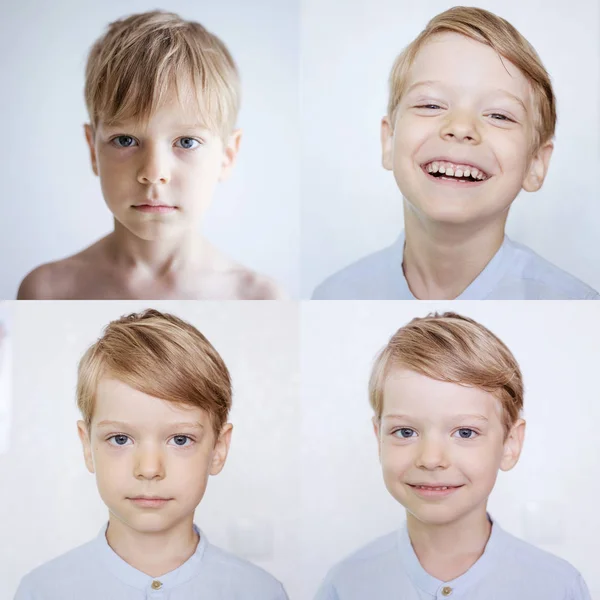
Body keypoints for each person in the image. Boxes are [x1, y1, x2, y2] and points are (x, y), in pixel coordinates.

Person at [313, 7, 598, 300]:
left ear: (536, 163)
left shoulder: (577, 302)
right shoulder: (333, 295)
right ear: (389, 141)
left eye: (499, 115)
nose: (461, 127)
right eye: (431, 105)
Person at [15, 309, 288, 599]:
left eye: (180, 439)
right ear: (87, 446)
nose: (148, 469)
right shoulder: (41, 590)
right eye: (120, 439)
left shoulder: (260, 592)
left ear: (218, 449)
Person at [315, 312, 591, 599]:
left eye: (465, 433)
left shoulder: (557, 587)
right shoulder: (346, 584)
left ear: (510, 444)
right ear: (378, 439)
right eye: (406, 432)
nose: (431, 459)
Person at [17, 10, 285, 300]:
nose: (154, 172)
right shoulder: (46, 291)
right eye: (125, 140)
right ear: (93, 149)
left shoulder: (259, 297)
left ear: (227, 156)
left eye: (186, 142)